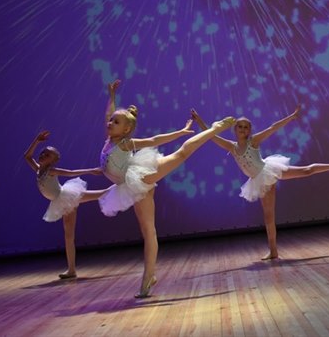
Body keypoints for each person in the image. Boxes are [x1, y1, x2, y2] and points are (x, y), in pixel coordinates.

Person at [99, 79, 235, 298]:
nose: (110, 123)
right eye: (111, 121)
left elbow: (154, 139)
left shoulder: (125, 143)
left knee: (180, 154)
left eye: (116, 122)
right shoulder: (110, 139)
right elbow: (108, 113)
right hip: (130, 185)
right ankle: (150, 276)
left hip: (140, 177)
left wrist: (180, 132)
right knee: (148, 232)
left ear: (126, 130)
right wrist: (112, 96)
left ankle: (214, 129)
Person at [192, 105, 329, 260]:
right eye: (240, 127)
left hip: (268, 171)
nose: (243, 129)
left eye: (246, 127)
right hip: (258, 180)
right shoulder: (231, 147)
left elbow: (272, 128)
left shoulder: (253, 141)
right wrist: (199, 120)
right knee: (269, 216)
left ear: (250, 130)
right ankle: (273, 251)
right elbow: (211, 135)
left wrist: (291, 117)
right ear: (234, 129)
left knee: (306, 171)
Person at [24, 130, 107, 279]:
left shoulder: (51, 171)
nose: (43, 155)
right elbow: (27, 156)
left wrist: (90, 171)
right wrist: (37, 140)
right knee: (69, 236)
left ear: (53, 161)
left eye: (47, 155)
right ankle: (71, 270)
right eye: (43, 152)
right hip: (61, 200)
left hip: (66, 198)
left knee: (99, 195)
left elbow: (70, 172)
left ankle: (124, 188)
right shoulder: (38, 169)